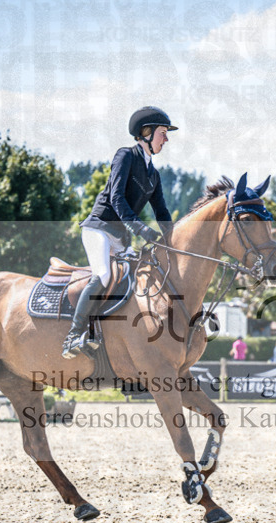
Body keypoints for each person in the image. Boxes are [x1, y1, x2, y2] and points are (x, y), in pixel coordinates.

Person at [62, 106, 177, 358]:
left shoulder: (153, 175)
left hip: (120, 237)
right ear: (145, 133)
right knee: (103, 275)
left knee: (138, 279)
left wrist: (174, 240)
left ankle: (112, 337)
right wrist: (140, 228)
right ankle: (73, 335)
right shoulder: (125, 156)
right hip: (99, 228)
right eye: (162, 132)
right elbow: (116, 198)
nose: (166, 139)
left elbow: (162, 212)